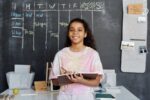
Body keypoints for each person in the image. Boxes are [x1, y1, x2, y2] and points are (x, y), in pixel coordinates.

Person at [49, 18, 104, 100]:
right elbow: (54, 81)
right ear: (68, 33)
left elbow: (96, 82)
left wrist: (80, 80)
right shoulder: (60, 54)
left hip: (85, 97)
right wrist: (66, 78)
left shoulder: (93, 54)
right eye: (72, 30)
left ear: (85, 34)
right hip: (65, 96)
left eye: (80, 30)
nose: (75, 32)